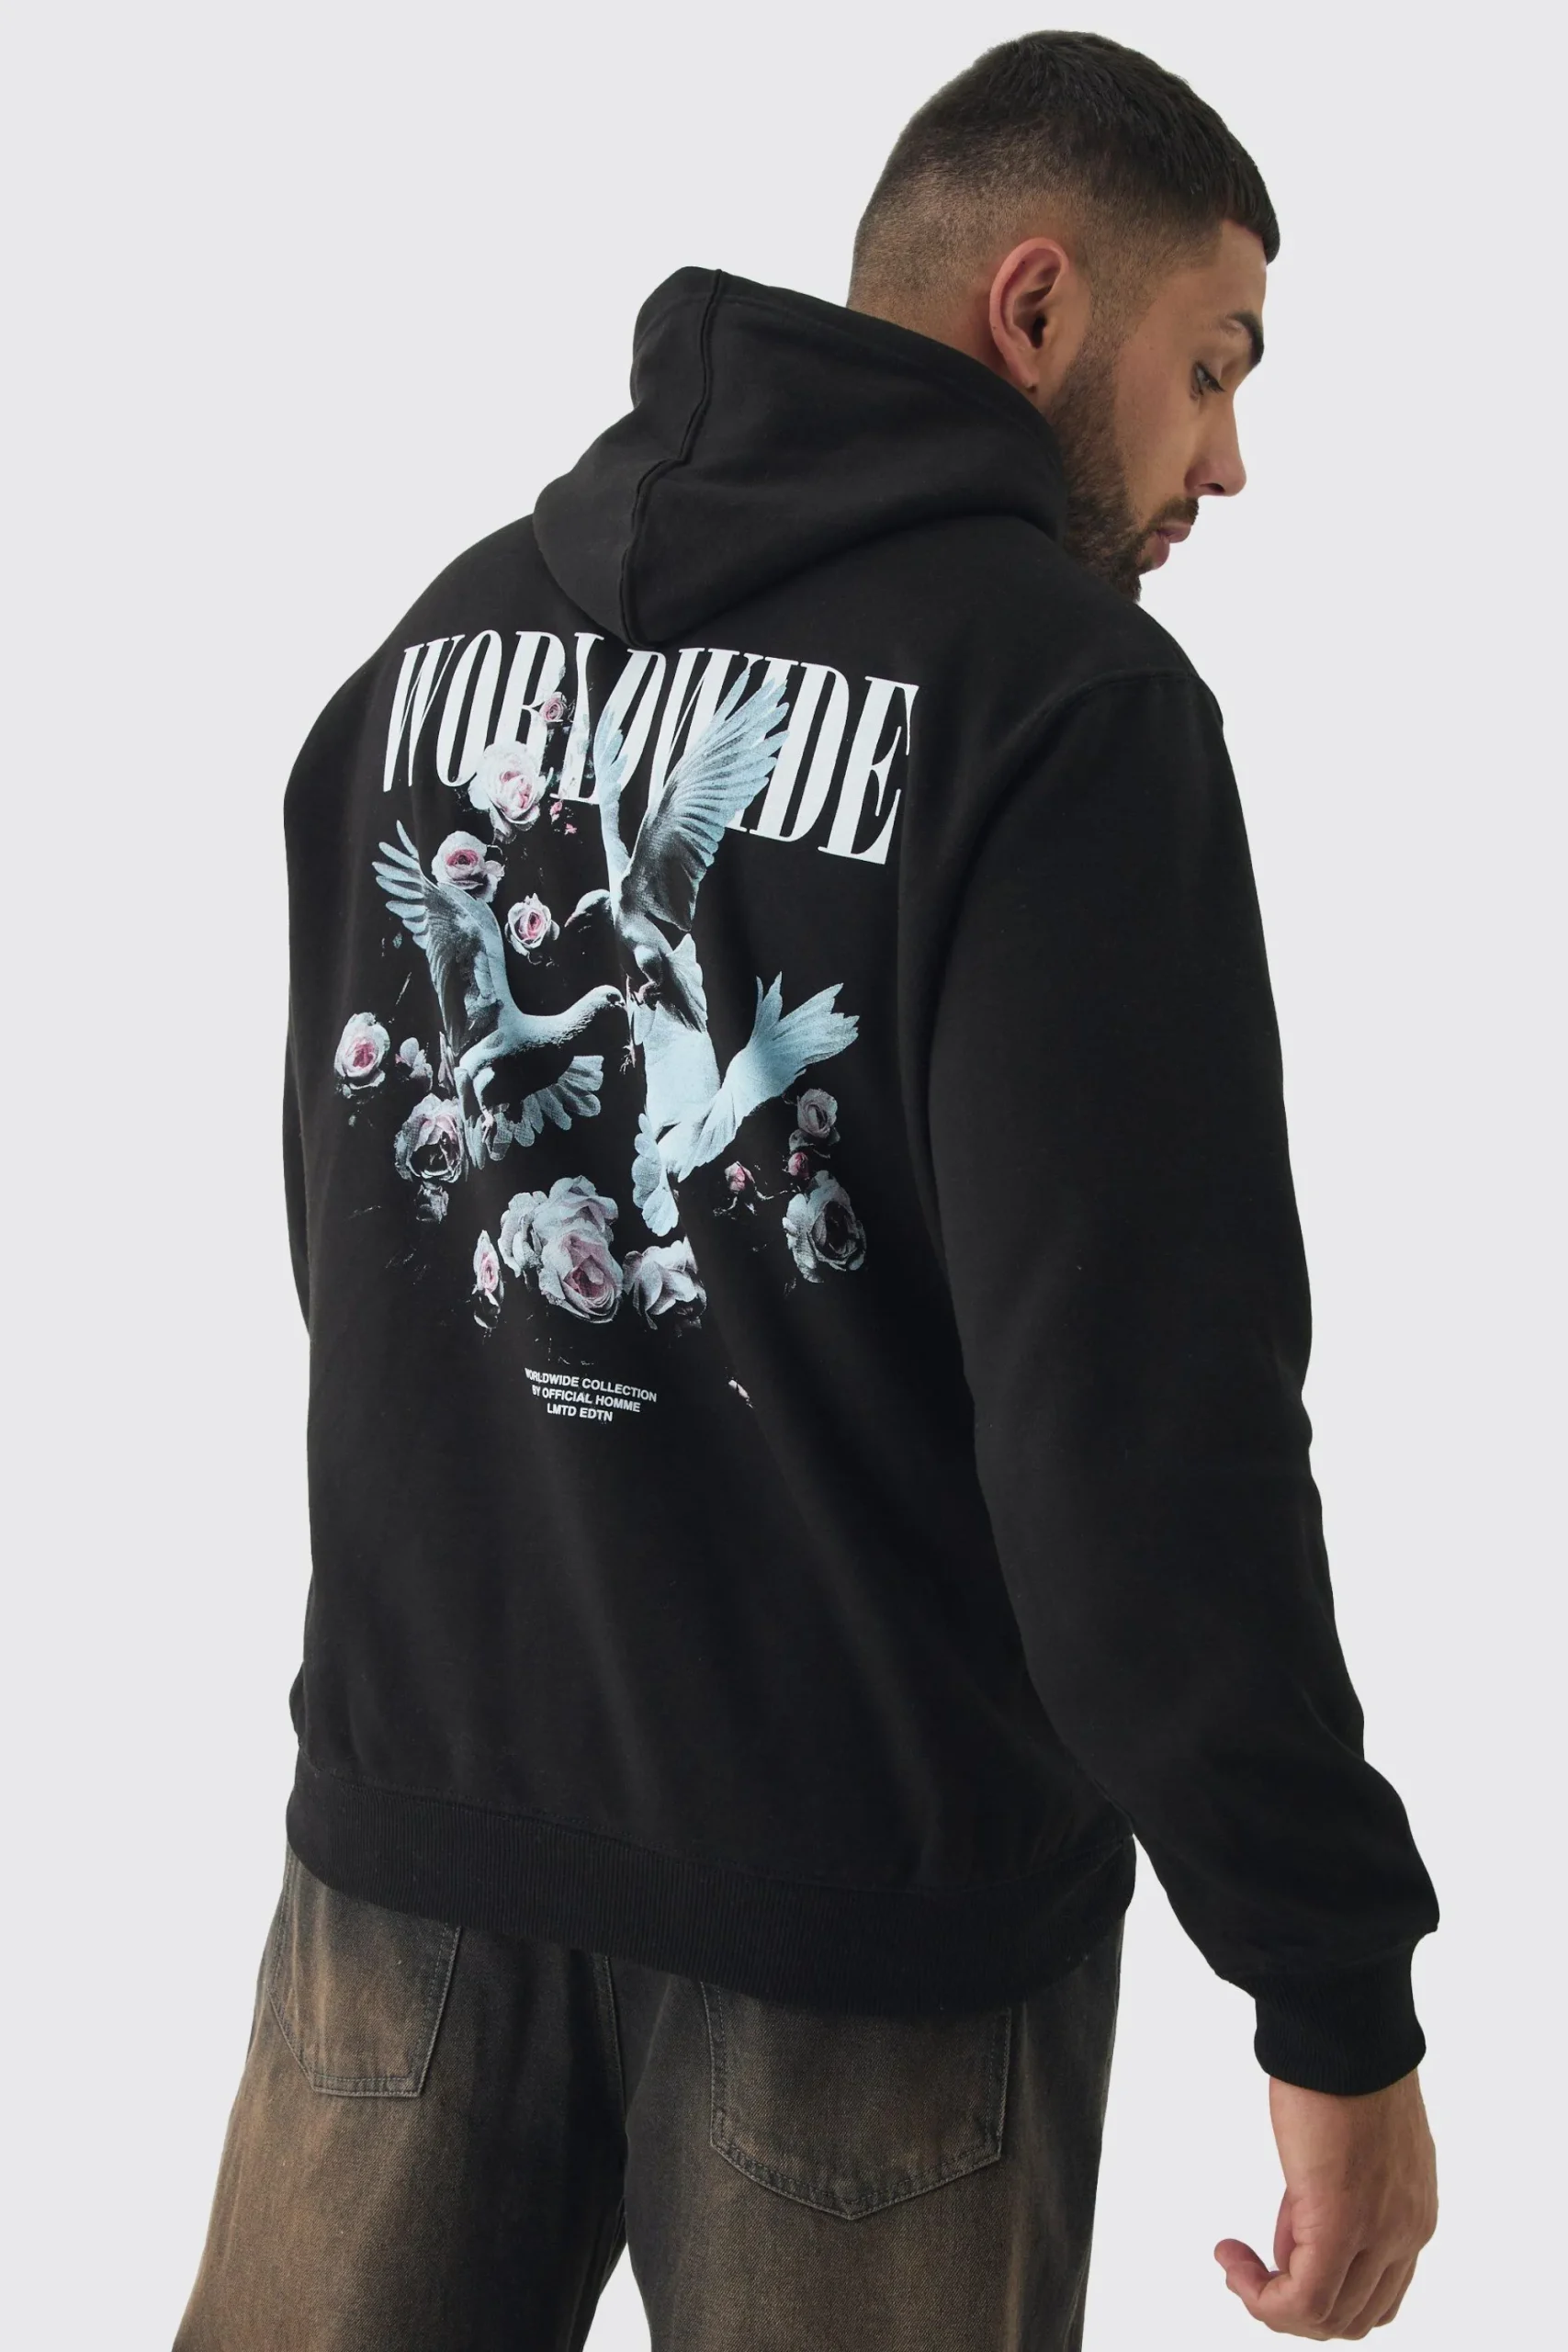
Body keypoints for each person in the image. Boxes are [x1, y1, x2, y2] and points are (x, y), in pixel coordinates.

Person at [176, 30, 1438, 2352]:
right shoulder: (1066, 708)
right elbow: (1140, 1433)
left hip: (407, 1867)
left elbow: (357, 1224)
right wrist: (1329, 1979)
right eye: (1211, 366)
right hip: (871, 1925)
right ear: (1035, 307)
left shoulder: (436, 639)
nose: (1226, 461)